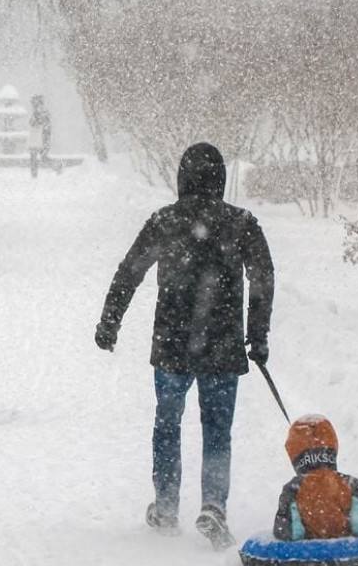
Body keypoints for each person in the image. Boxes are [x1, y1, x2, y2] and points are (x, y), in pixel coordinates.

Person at [94, 142, 274, 549]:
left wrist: (110, 322)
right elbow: (263, 277)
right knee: (217, 431)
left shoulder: (165, 221)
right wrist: (258, 334)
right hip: (223, 345)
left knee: (167, 424)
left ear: (181, 177)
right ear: (221, 180)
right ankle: (213, 506)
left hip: (173, 344)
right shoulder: (241, 223)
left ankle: (166, 504)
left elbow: (130, 272)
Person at [273, 415, 358, 541]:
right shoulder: (350, 484)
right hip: (349, 555)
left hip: (309, 557)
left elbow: (284, 532)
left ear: (294, 455)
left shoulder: (292, 489)